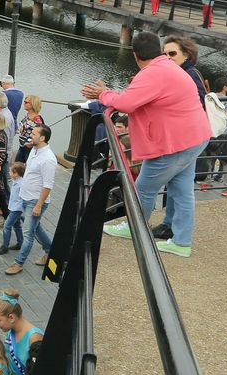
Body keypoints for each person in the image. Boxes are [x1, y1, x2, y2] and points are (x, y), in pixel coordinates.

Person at [81, 31, 210, 259]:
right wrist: (109, 93)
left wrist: (103, 95)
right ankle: (181, 242)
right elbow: (137, 96)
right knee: (182, 191)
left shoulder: (153, 73)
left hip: (175, 144)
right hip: (194, 138)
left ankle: (135, 229)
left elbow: (126, 103)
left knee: (142, 189)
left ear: (135, 55)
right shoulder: (167, 67)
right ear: (159, 50)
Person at [3, 126, 58, 274]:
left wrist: (38, 205)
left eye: (34, 133)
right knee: (36, 227)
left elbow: (48, 185)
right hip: (25, 198)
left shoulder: (48, 159)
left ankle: (18, 263)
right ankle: (50, 251)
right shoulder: (34, 150)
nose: (30, 135)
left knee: (28, 233)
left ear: (42, 138)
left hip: (35, 201)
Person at [0, 163, 28, 256]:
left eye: (10, 171)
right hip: (13, 207)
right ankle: (20, 243)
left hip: (16, 209)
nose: (9, 172)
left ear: (16, 174)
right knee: (17, 225)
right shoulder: (16, 181)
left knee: (7, 226)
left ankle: (5, 246)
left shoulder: (20, 184)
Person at [13, 95, 47, 165]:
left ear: (33, 104)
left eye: (26, 102)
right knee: (17, 166)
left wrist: (31, 143)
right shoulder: (27, 115)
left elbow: (41, 134)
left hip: (30, 148)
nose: (24, 103)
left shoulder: (37, 120)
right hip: (22, 146)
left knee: (27, 167)